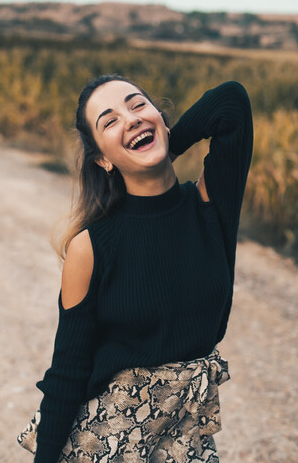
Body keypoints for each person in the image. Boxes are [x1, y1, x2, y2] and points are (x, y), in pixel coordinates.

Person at [21, 74, 253, 462]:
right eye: (109, 122)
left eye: (138, 105)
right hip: (105, 443)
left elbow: (231, 103)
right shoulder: (91, 246)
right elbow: (68, 369)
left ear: (161, 116)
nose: (130, 119)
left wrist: (161, 146)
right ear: (102, 159)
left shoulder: (210, 208)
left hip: (185, 440)